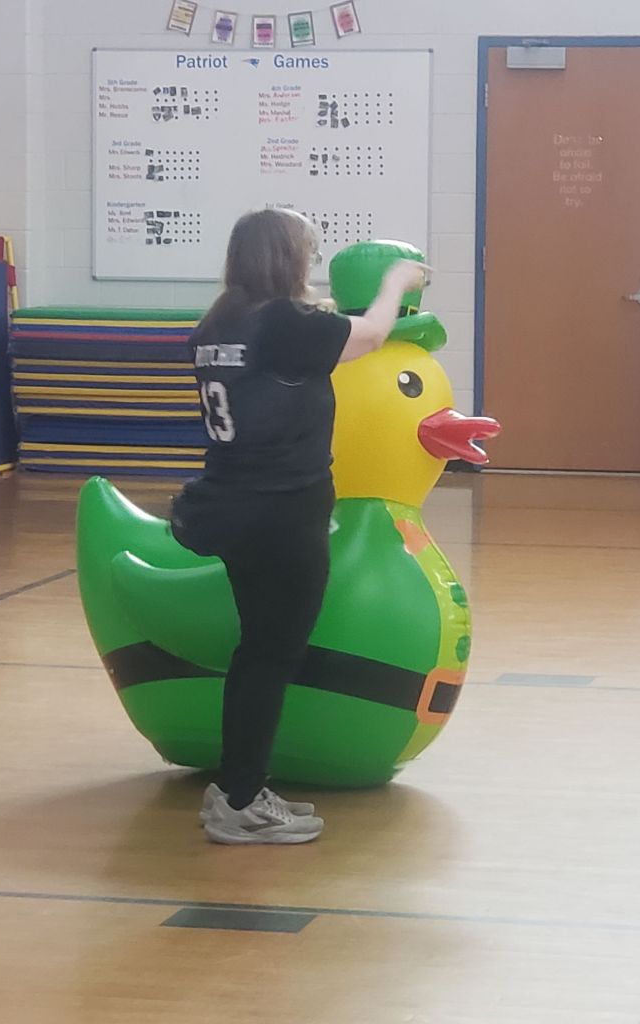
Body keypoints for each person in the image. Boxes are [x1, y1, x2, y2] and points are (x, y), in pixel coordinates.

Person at [170, 208, 427, 845]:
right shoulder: (285, 322)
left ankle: (236, 787)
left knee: (256, 649)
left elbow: (298, 341)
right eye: (308, 250)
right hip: (281, 513)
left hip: (233, 503)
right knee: (269, 656)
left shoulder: (220, 322)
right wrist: (395, 282)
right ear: (287, 257)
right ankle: (239, 801)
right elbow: (370, 335)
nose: (312, 260)